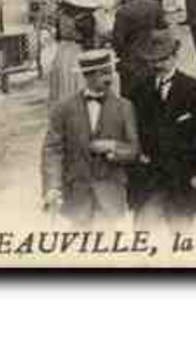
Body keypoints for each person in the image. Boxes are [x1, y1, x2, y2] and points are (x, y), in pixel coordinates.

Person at [127, 29, 196, 229]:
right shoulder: (139, 90)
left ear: (175, 57)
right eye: (152, 60)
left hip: (183, 181)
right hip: (150, 180)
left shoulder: (195, 90)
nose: (157, 65)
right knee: (142, 235)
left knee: (181, 238)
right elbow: (130, 131)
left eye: (163, 59)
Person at [41, 49, 141, 226]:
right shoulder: (64, 109)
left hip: (110, 197)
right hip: (76, 197)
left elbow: (134, 149)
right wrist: (52, 187)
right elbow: (52, 150)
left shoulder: (124, 107)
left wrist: (113, 147)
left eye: (110, 71)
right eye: (103, 73)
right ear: (88, 76)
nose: (109, 77)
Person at [110, 0, 167, 98]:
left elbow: (117, 43)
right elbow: (163, 31)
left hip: (131, 66)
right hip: (152, 62)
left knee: (130, 102)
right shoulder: (154, 5)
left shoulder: (123, 12)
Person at [50, 0, 102, 109]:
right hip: (78, 53)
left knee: (64, 86)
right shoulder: (85, 18)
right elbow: (89, 44)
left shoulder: (62, 14)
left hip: (62, 52)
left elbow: (58, 35)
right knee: (78, 85)